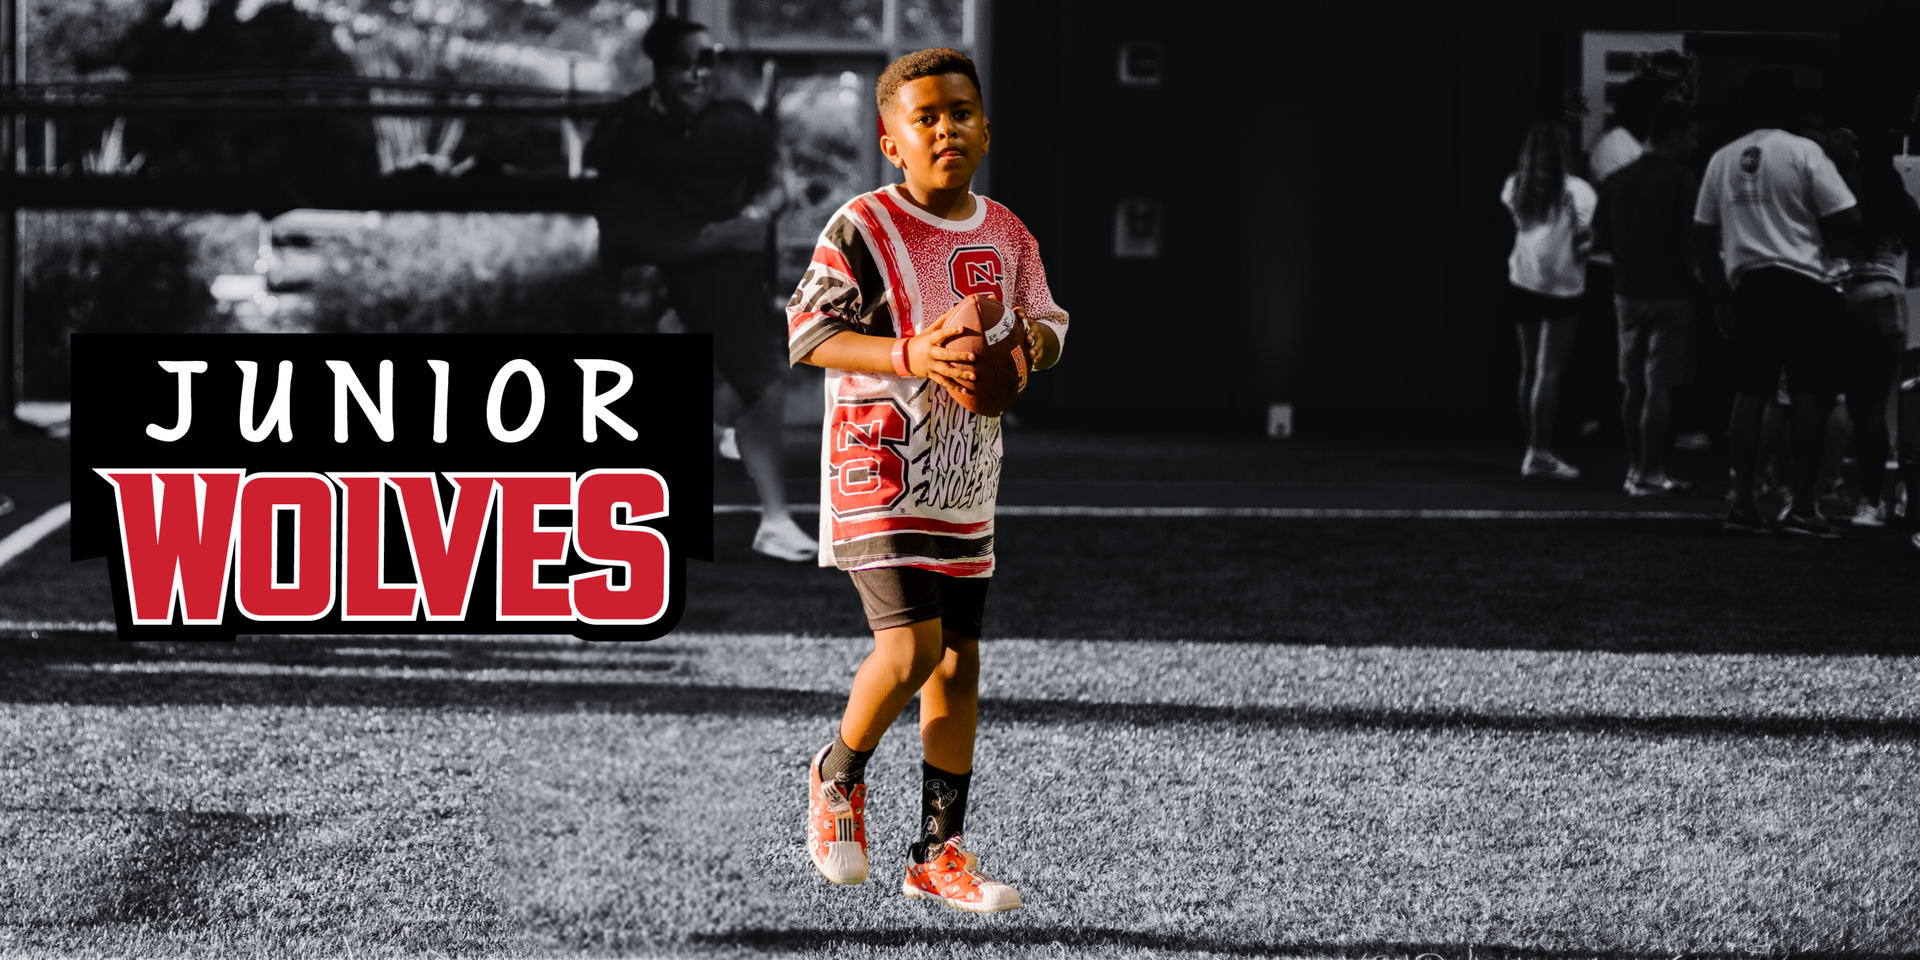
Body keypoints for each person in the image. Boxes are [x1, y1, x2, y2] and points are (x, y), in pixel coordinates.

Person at [787, 48, 1066, 913]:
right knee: (908, 650)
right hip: (880, 466)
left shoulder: (1008, 232)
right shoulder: (863, 226)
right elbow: (807, 335)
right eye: (926, 117)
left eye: (961, 111)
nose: (946, 126)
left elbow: (1050, 324)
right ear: (891, 142)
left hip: (965, 474)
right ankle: (836, 775)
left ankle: (937, 855)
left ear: (986, 127)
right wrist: (910, 353)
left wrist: (1026, 353)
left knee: (957, 663)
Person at [586, 14, 817, 561]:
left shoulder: (737, 122)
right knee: (751, 383)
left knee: (762, 382)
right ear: (661, 69)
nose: (697, 74)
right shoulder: (625, 128)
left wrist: (758, 213)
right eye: (683, 64)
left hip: (726, 272)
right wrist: (692, 244)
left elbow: (774, 185)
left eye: (705, 61)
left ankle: (771, 514)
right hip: (657, 270)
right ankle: (632, 519)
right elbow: (616, 212)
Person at [1692, 70, 1859, 537]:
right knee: (1811, 393)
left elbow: (1701, 234)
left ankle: (1742, 501)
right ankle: (1803, 506)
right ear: (1792, 109)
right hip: (1808, 283)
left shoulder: (1722, 158)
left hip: (1750, 285)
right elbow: (1847, 213)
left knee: (1751, 392)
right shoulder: (1805, 151)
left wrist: (1719, 293)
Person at [1595, 100, 1700, 496]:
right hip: (1670, 292)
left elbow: (1599, 239)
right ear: (1671, 135)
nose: (1693, 142)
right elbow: (1691, 238)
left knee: (1632, 385)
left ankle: (1634, 469)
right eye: (1689, 134)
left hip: (1626, 290)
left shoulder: (1617, 180)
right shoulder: (1682, 179)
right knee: (1658, 385)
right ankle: (1652, 471)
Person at [1821, 127, 1920, 528]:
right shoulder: (1892, 194)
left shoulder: (1833, 188)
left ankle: (1817, 489)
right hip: (1884, 294)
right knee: (1874, 406)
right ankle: (1872, 499)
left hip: (1838, 289)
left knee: (1826, 399)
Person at [1503, 120, 1596, 480]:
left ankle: (1534, 448)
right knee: (1549, 371)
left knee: (1530, 370)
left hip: (1523, 282)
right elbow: (1583, 244)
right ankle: (1539, 452)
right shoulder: (1580, 191)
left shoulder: (1515, 185)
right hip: (1562, 288)